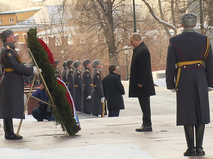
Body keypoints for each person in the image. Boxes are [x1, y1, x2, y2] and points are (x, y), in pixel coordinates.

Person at [166, 13, 213, 156]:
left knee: (187, 112)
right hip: (200, 76)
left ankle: (191, 147)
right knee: (201, 111)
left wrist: (170, 83)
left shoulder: (174, 41)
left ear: (181, 25)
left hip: (183, 77)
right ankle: (200, 147)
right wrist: (210, 82)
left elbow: (170, 64)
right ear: (194, 25)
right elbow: (210, 63)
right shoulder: (204, 40)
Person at [0, 29, 41, 140]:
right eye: (12, 35)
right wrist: (31, 71)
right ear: (7, 38)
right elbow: (15, 66)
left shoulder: (10, 50)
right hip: (10, 80)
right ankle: (9, 133)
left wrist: (27, 67)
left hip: (11, 80)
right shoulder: (7, 51)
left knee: (9, 107)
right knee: (8, 108)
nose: (14, 37)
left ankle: (10, 132)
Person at [129, 33, 156, 132]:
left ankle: (147, 124)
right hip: (141, 83)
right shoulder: (140, 49)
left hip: (143, 84)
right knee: (143, 104)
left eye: (131, 41)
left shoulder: (143, 50)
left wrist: (140, 81)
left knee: (145, 104)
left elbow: (144, 68)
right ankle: (145, 123)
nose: (130, 43)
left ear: (137, 40)